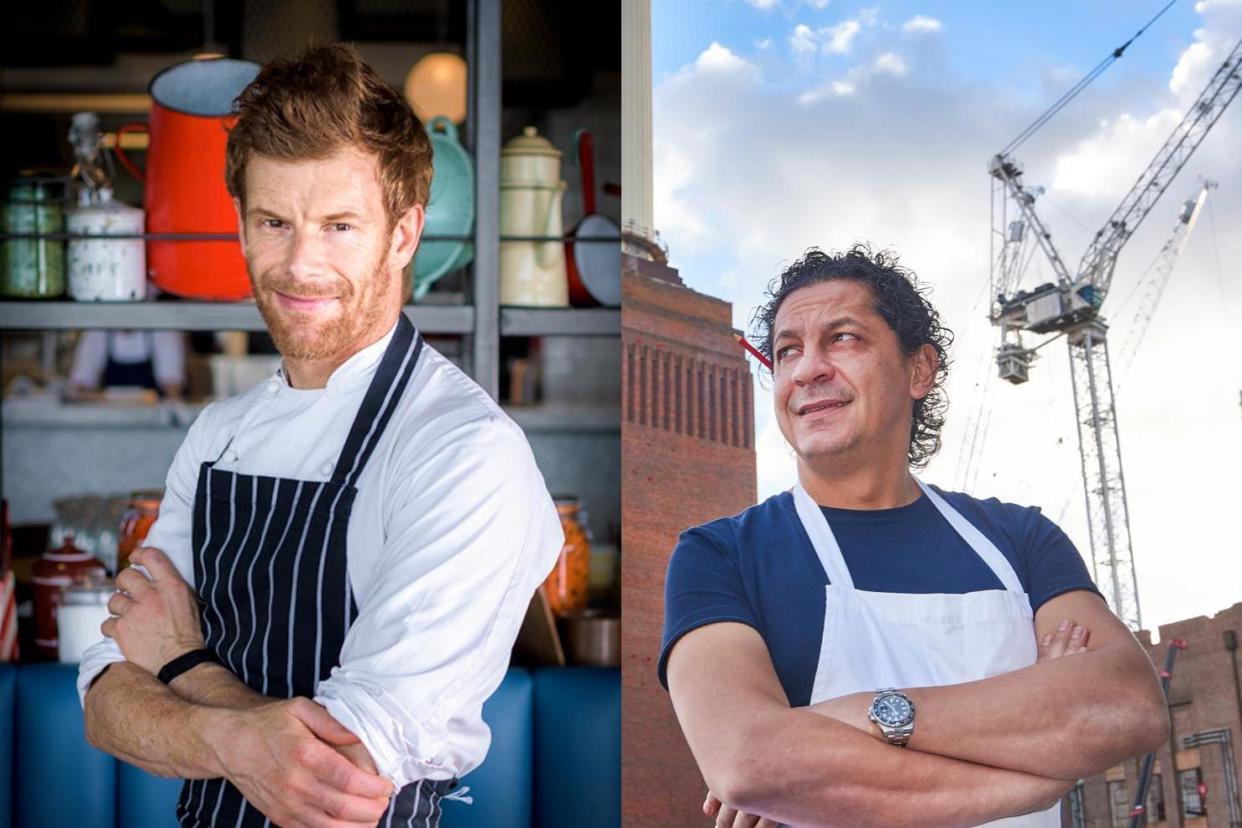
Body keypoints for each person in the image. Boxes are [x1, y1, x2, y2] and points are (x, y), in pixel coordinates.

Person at [78, 44, 563, 828]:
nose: (301, 264)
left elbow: (338, 777)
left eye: (340, 226)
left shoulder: (464, 453)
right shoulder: (217, 437)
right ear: (241, 224)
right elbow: (104, 700)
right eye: (275, 221)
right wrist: (240, 734)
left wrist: (181, 663)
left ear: (403, 236)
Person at [659, 245, 1169, 827]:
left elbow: (1128, 705)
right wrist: (1041, 773)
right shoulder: (721, 555)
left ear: (919, 369)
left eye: (843, 338)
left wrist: (860, 716)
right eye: (787, 351)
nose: (807, 370)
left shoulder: (1022, 540)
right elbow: (748, 763)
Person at [67, 329, 186, 399]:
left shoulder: (163, 332)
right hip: (107, 421)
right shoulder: (97, 333)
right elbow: (80, 387)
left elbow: (173, 391)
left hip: (152, 421)